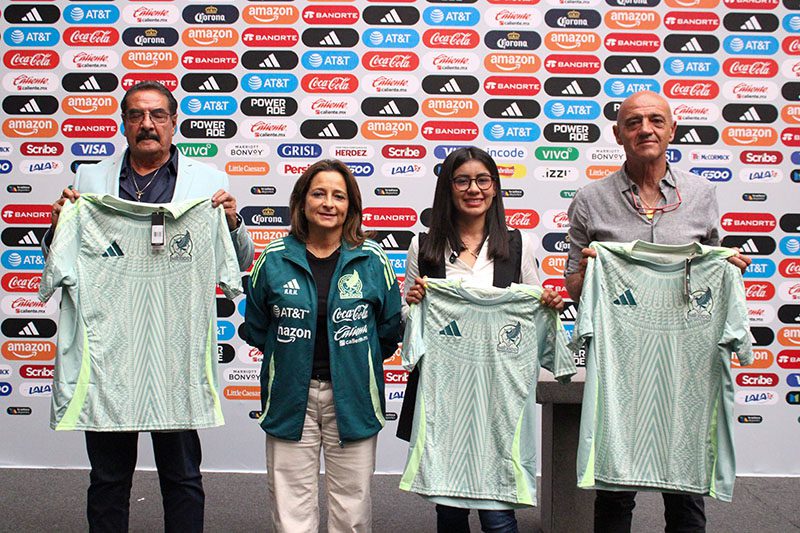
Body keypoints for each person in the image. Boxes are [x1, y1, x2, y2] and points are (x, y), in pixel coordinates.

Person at [44, 80, 255, 533]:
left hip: (173, 353)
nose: (147, 124)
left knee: (182, 477)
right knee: (108, 478)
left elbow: (237, 264)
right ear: (124, 123)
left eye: (157, 115)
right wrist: (60, 224)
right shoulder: (89, 178)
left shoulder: (210, 183)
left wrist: (232, 223)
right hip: (110, 353)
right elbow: (62, 257)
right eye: (136, 115)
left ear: (173, 122)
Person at [564, 90, 750, 533]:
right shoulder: (590, 199)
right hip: (621, 364)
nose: (645, 129)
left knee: (686, 492)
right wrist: (590, 273)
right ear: (618, 135)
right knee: (614, 489)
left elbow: (712, 266)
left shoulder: (701, 194)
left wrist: (727, 266)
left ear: (672, 129)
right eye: (633, 122)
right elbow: (573, 284)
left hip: (686, 364)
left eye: (655, 120)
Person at [400, 146, 564, 533]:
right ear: (448, 188)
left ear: (494, 188)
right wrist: (416, 305)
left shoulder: (519, 245)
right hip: (446, 396)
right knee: (449, 507)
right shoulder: (424, 247)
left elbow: (534, 303)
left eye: (482, 180)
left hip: (499, 395)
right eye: (462, 180)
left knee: (498, 514)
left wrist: (549, 304)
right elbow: (407, 319)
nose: (473, 189)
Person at [242, 159, 402, 533]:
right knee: (291, 511)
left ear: (351, 206)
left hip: (354, 397)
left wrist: (354, 360)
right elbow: (258, 329)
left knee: (352, 511)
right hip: (290, 397)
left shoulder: (373, 259)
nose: (329, 203)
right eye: (319, 193)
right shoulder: (273, 258)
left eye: (338, 196)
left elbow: (388, 329)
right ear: (302, 201)